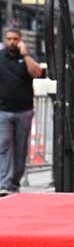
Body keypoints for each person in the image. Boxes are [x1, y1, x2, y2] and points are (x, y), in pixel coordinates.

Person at [0, 29, 43, 196]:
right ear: (5, 40)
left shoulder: (28, 58)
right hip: (3, 111)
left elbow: (37, 73)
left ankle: (14, 183)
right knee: (4, 146)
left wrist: (25, 55)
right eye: (9, 39)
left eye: (15, 39)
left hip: (24, 111)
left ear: (20, 40)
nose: (12, 42)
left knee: (20, 149)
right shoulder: (0, 58)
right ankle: (5, 182)